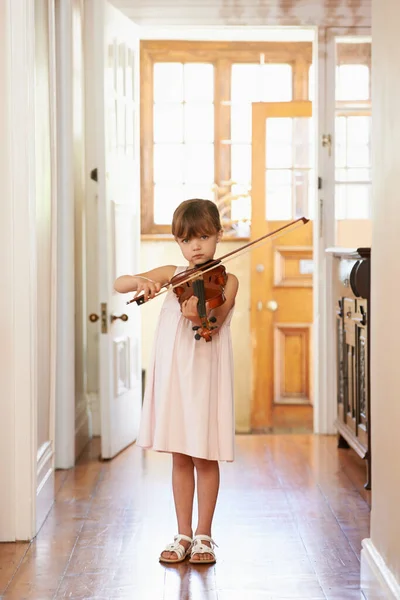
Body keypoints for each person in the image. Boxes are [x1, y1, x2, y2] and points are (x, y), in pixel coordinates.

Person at [114, 199, 238, 565]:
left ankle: (205, 535)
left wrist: (201, 316)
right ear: (178, 243)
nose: (195, 247)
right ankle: (183, 534)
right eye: (186, 240)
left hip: (203, 377)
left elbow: (214, 316)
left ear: (218, 234)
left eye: (202, 237)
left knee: (204, 454)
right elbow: (120, 283)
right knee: (180, 455)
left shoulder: (227, 281)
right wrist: (142, 281)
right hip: (173, 376)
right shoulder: (172, 273)